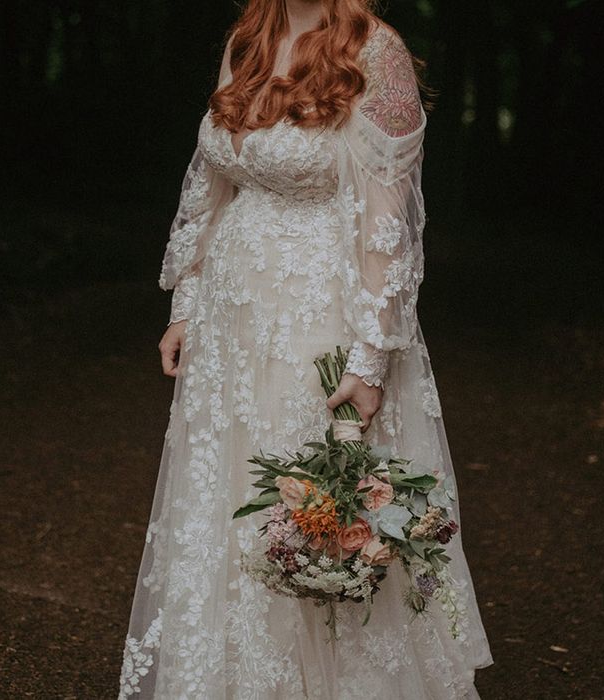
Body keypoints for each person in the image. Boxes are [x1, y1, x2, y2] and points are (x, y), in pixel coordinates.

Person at [118, 0, 492, 697]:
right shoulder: (248, 39)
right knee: (223, 495)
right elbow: (213, 185)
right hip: (232, 323)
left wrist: (370, 356)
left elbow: (389, 223)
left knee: (312, 507)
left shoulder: (374, 50)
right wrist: (188, 304)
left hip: (317, 318)